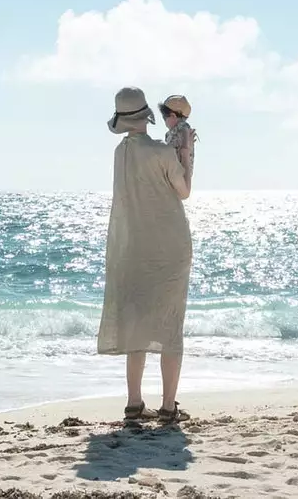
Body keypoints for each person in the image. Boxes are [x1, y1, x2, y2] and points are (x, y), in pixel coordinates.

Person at [97, 86, 194, 424]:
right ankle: (168, 407)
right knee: (170, 326)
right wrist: (187, 155)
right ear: (146, 116)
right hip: (170, 248)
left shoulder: (119, 154)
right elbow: (184, 192)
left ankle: (134, 403)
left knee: (137, 325)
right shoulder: (162, 153)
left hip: (133, 249)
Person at [160, 94, 194, 191]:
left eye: (164, 117)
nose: (164, 121)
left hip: (177, 176)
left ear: (173, 116)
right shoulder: (176, 131)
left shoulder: (182, 129)